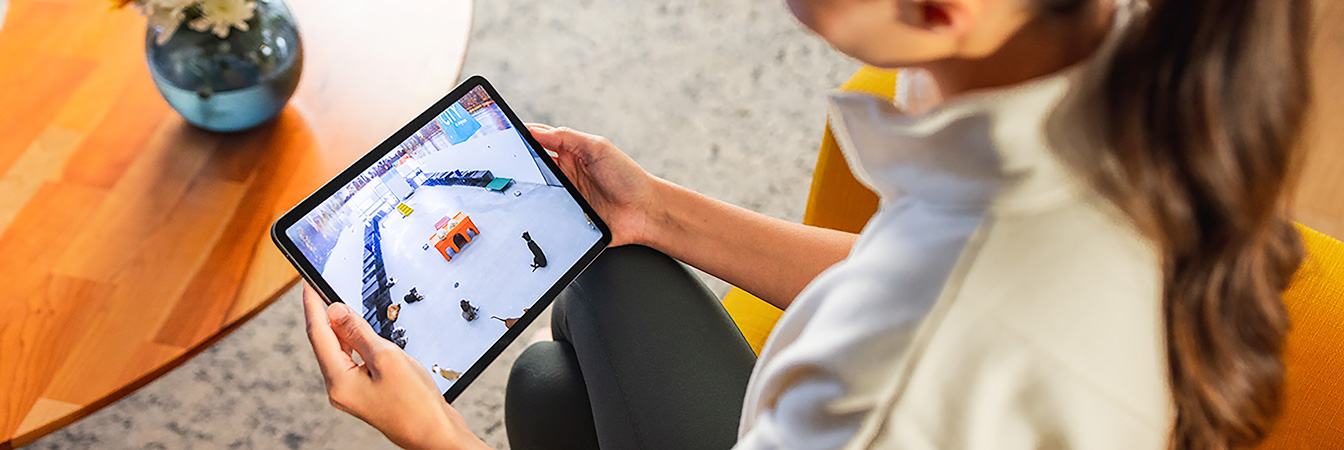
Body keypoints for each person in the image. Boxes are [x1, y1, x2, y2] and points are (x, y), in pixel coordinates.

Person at [300, 0, 1311, 448]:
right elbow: (913, 270)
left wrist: (430, 433)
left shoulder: (892, 383)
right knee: (591, 303)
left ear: (940, 9)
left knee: (545, 396)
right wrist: (656, 210)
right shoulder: (1131, 69)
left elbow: (927, 315)